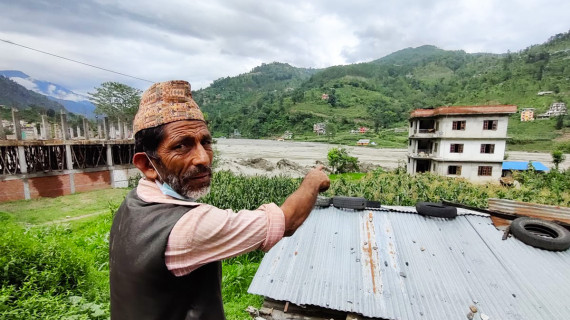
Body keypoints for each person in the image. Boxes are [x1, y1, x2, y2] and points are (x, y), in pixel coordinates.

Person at [109, 80, 330, 320]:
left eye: (205, 142)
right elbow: (286, 222)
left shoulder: (134, 201)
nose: (203, 158)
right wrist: (312, 181)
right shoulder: (186, 227)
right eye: (181, 146)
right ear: (146, 165)